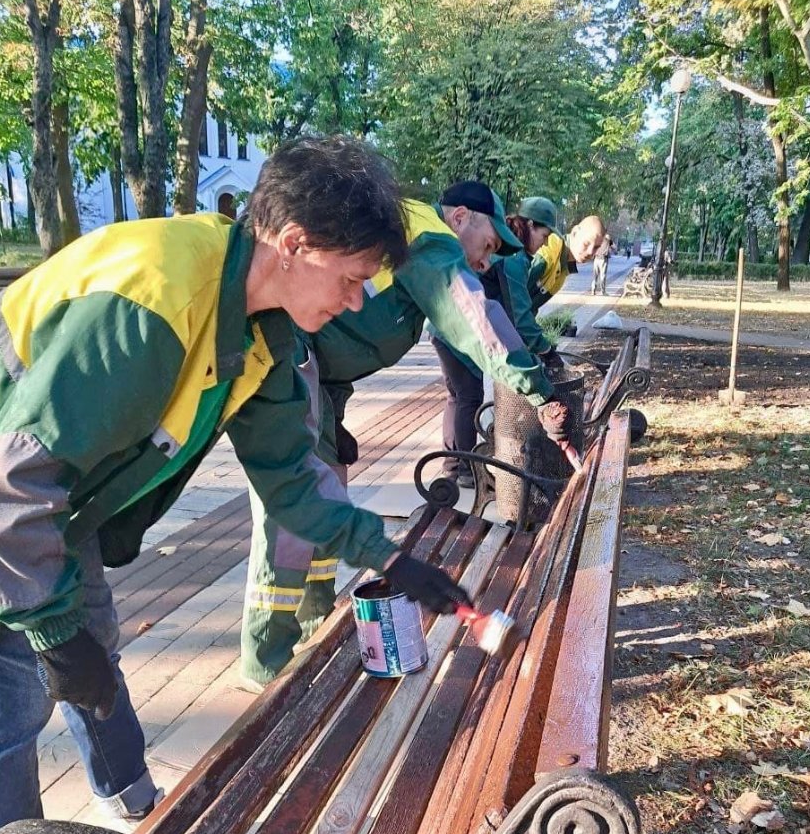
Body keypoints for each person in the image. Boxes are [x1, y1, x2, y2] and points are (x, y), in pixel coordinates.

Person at [0, 135, 468, 834]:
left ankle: (131, 797)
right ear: (294, 244)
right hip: (2, 498)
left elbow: (289, 476)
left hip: (51, 506)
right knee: (13, 696)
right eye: (351, 281)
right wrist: (45, 625)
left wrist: (387, 555)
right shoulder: (154, 303)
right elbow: (10, 486)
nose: (356, 303)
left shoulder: (261, 328)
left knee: (91, 646)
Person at [241, 180, 572, 686]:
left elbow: (473, 348)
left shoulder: (418, 249)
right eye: (487, 245)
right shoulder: (429, 239)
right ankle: (267, 667)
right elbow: (478, 322)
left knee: (326, 503)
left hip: (312, 378)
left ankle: (312, 636)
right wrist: (542, 394)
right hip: (284, 365)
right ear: (461, 217)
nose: (486, 261)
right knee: (293, 515)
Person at [431, 203, 605, 486]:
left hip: (458, 326)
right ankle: (461, 470)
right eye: (544, 235)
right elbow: (521, 316)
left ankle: (457, 466)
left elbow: (520, 312)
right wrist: (544, 350)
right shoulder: (514, 259)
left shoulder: (517, 255)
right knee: (467, 397)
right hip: (458, 329)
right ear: (529, 226)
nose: (546, 242)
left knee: (460, 396)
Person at [591, 232, 614, 296]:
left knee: (595, 276)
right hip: (603, 259)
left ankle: (593, 290)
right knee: (602, 276)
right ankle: (603, 292)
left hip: (596, 259)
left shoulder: (597, 239)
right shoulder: (608, 240)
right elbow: (614, 247)